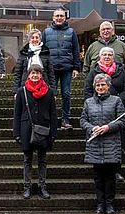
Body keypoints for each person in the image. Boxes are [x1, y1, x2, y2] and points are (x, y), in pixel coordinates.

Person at [80, 73, 125, 214]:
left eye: (103, 85)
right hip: (95, 144)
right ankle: (100, 205)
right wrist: (91, 128)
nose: (100, 87)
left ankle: (110, 204)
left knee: (110, 178)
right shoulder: (88, 102)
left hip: (111, 144)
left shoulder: (116, 101)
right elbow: (83, 120)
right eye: (98, 85)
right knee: (98, 178)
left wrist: (108, 127)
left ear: (108, 86)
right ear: (94, 87)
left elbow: (122, 121)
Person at [84, 47, 125, 182]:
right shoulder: (94, 71)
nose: (107, 57)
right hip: (97, 110)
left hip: (116, 111)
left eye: (110, 54)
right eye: (104, 54)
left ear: (113, 57)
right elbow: (87, 90)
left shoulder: (120, 71)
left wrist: (116, 102)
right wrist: (93, 102)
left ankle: (116, 171)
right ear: (99, 57)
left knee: (118, 142)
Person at [13, 64, 57, 200]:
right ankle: (27, 187)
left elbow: (53, 114)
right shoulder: (22, 91)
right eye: (32, 73)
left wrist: (53, 133)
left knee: (42, 160)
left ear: (41, 75)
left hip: (44, 129)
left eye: (37, 73)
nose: (35, 75)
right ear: (28, 75)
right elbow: (17, 114)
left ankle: (42, 187)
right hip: (27, 129)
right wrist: (17, 133)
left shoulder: (49, 92)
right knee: (27, 160)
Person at [42, 8, 80, 129]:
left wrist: (76, 67)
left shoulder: (71, 32)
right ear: (53, 18)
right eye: (57, 16)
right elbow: (42, 51)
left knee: (66, 94)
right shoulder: (46, 32)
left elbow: (75, 50)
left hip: (67, 68)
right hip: (51, 69)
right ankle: (48, 119)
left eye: (61, 16)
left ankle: (65, 119)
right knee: (49, 94)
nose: (59, 18)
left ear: (65, 18)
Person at [13, 29, 56, 96]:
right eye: (32, 38)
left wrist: (53, 91)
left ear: (40, 39)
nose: (34, 39)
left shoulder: (45, 53)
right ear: (29, 40)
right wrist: (16, 91)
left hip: (43, 85)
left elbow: (51, 73)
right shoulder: (24, 53)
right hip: (26, 84)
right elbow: (18, 73)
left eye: (37, 37)